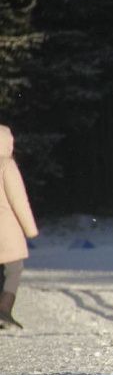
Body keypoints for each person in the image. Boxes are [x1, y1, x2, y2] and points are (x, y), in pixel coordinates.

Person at [0, 124, 39, 329]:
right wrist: (30, 229)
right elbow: (19, 201)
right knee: (14, 269)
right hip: (5, 228)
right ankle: (4, 309)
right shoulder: (7, 165)